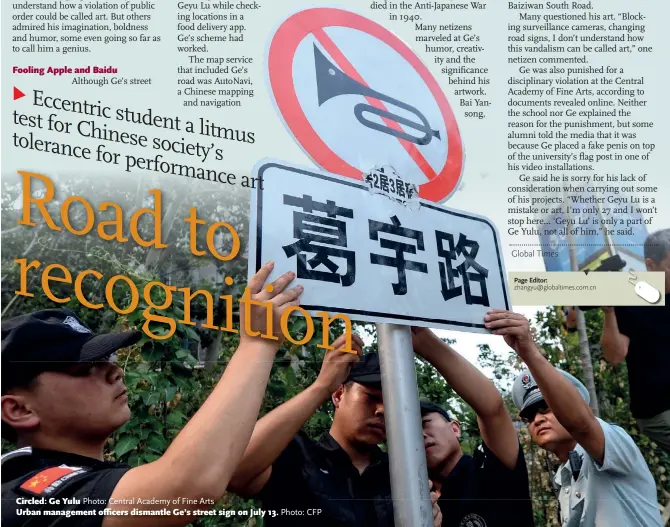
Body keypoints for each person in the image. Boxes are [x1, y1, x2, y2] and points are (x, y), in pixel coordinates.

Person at [1, 262, 303, 527]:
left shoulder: (93, 482)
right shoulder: (24, 498)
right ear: (19, 410)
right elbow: (183, 487)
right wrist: (258, 344)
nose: (114, 372)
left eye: (107, 360)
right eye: (82, 369)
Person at [485, 309, 662, 526]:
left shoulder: (613, 442)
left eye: (547, 408)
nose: (537, 420)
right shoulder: (564, 479)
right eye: (530, 417)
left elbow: (582, 425)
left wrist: (528, 351)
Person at [228, 350, 442, 526]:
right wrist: (320, 387)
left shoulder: (402, 476)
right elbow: (233, 471)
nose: (382, 410)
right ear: (339, 395)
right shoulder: (297, 455)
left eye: (392, 402)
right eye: (371, 397)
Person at [411, 327, 535, 527]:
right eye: (410, 432)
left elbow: (491, 409)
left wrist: (425, 342)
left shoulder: (491, 470)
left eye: (425, 423)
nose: (420, 435)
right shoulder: (415, 503)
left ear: (455, 428)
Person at [600, 228, 670, 452]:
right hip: (659, 408)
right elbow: (614, 355)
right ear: (650, 266)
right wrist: (609, 311)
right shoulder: (632, 300)